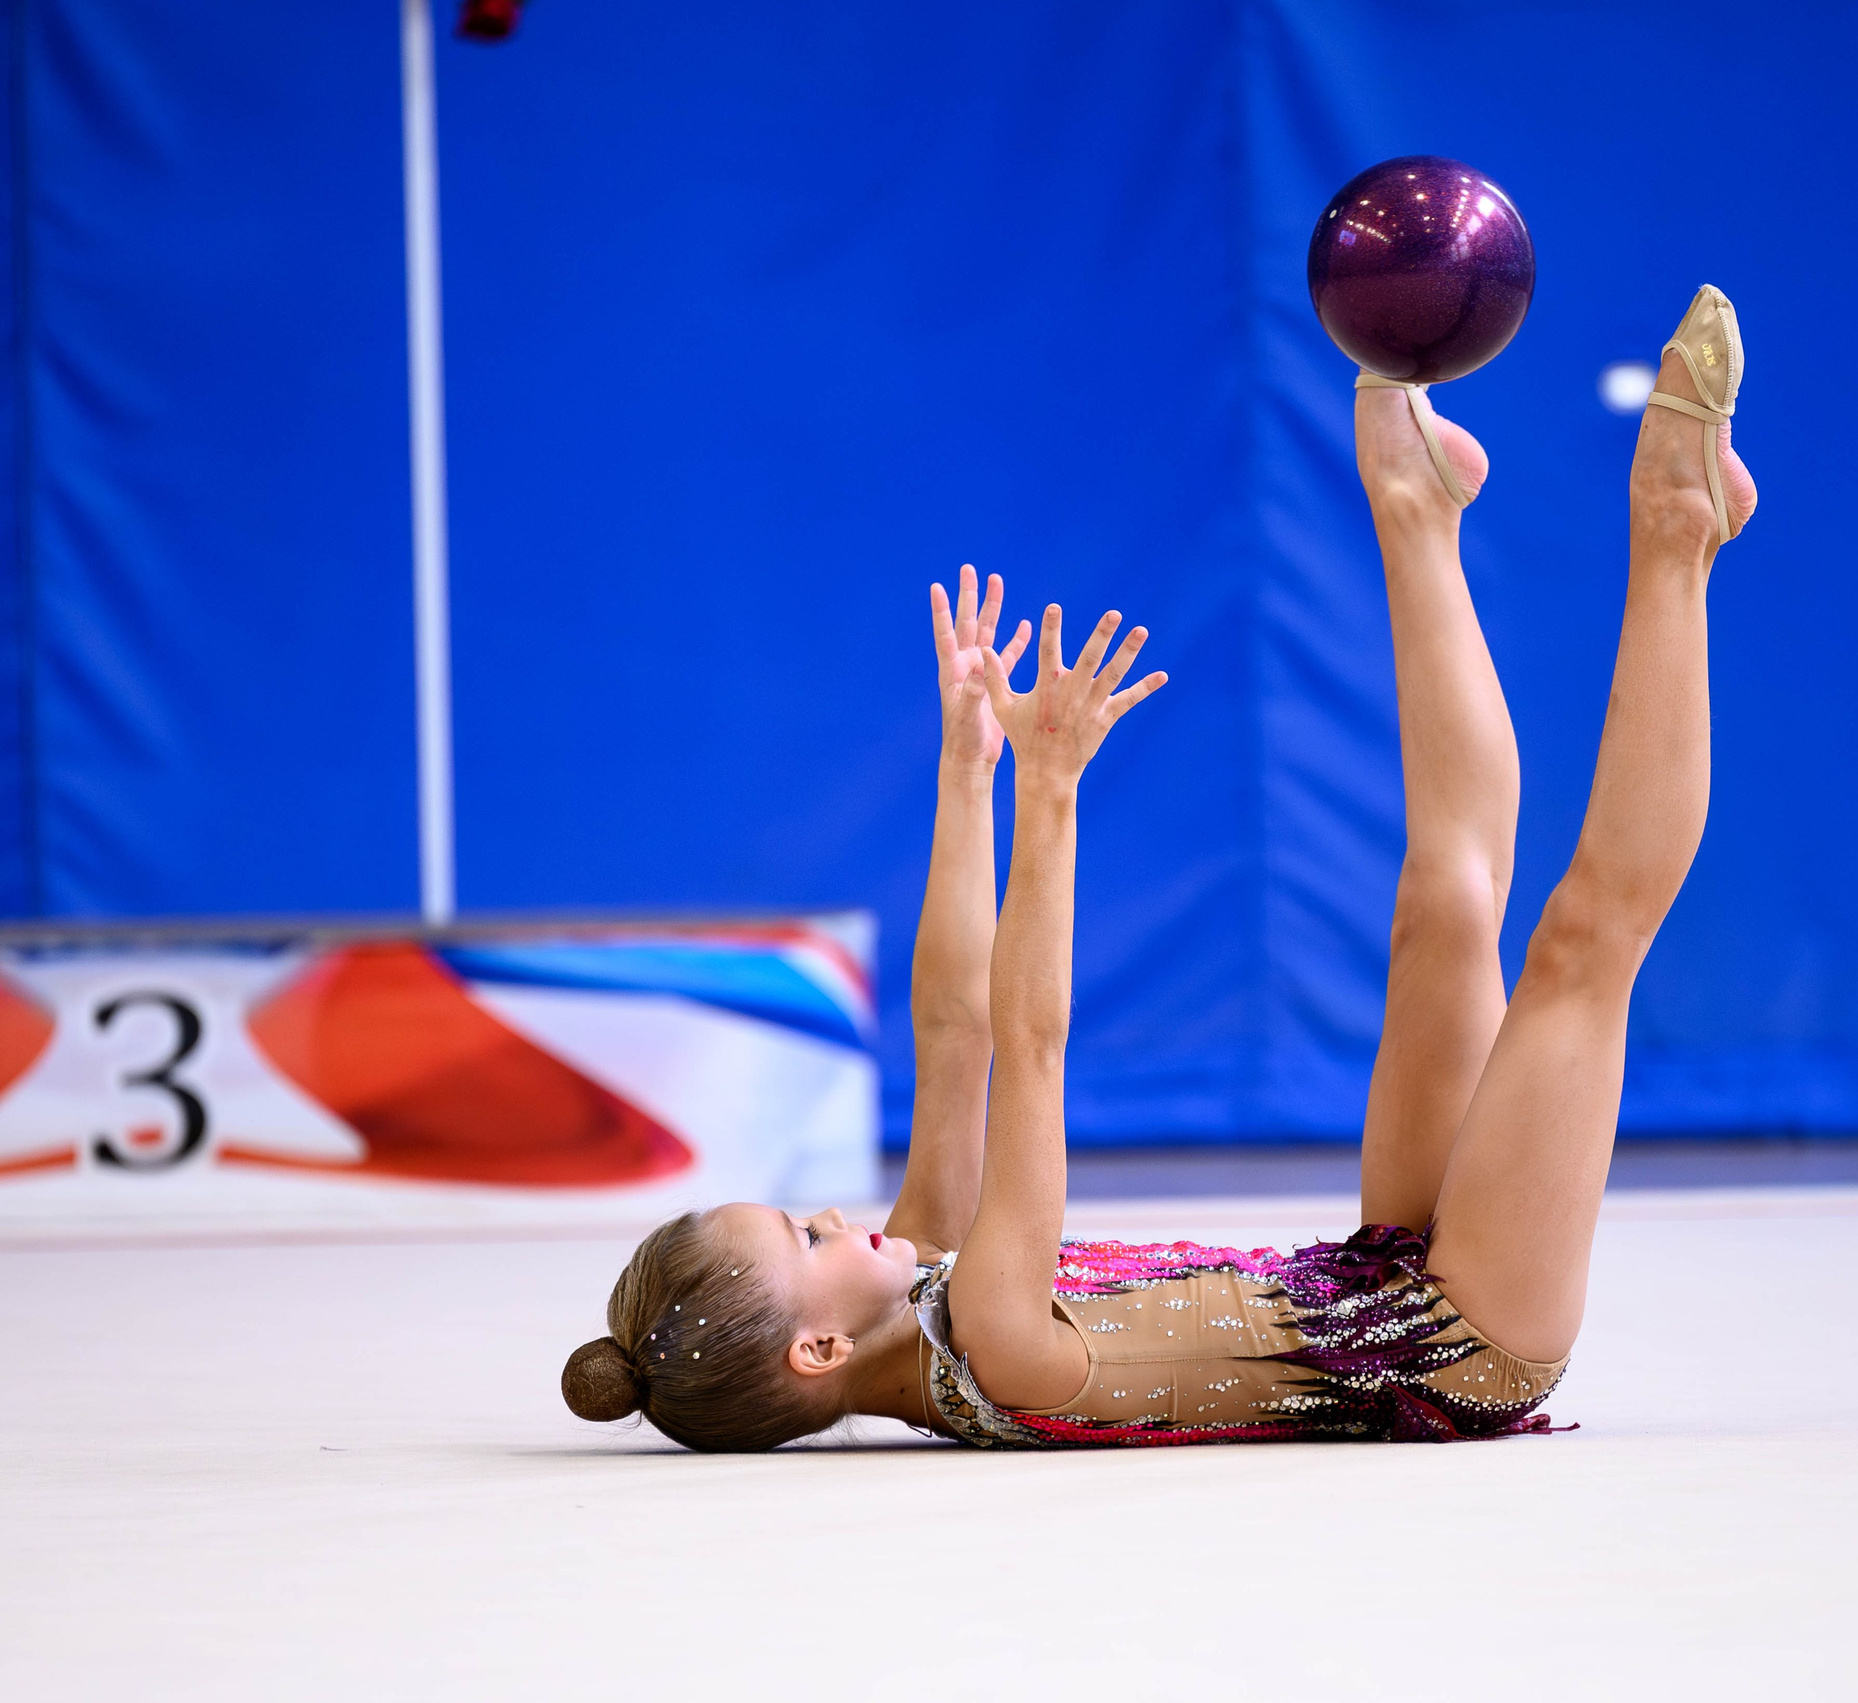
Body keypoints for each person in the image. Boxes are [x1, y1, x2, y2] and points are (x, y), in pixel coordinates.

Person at [560, 287, 1756, 1451]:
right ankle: (1676, 534)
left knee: (1443, 906)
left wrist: (967, 769)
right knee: (1580, 951)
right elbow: (1031, 1047)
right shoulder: (995, 1336)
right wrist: (1051, 792)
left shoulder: (921, 1267)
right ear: (814, 1352)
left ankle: (1414, 506)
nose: (834, 1215)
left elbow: (958, 1027)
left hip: (1372, 1274)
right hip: (1456, 1340)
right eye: (806, 1238)